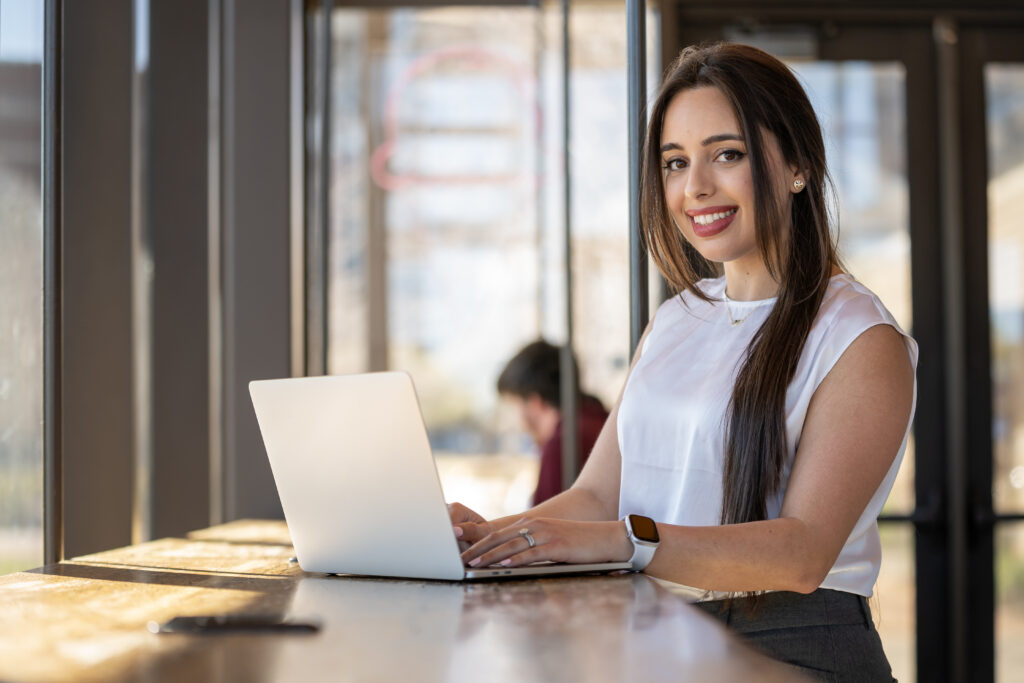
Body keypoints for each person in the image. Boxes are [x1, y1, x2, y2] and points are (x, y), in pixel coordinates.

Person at [450, 42, 916, 681]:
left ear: (799, 166)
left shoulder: (860, 336)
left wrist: (625, 541)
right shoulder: (676, 318)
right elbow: (594, 496)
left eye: (728, 154)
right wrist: (482, 542)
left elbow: (804, 552)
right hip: (659, 638)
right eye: (675, 162)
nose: (695, 188)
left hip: (793, 647)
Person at [496, 340, 609, 505]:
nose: (517, 418)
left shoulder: (563, 444)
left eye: (515, 404)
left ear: (534, 403)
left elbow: (540, 527)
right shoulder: (603, 421)